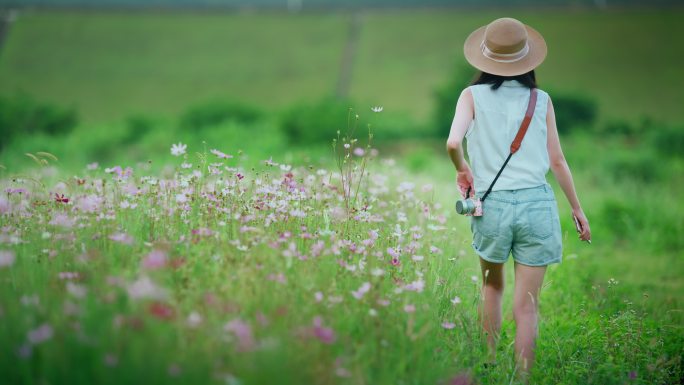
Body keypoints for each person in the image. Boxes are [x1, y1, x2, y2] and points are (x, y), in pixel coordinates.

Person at [445, 17, 592, 379]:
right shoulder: (540, 100)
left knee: (492, 287)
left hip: (491, 204)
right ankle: (524, 376)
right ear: (528, 59)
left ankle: (490, 362)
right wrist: (576, 208)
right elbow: (557, 160)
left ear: (485, 57)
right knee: (528, 306)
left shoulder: (471, 96)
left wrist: (462, 168)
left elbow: (451, 142)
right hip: (536, 204)